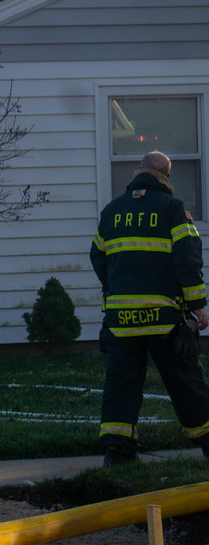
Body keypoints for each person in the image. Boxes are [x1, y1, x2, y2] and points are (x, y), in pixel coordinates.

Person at [90, 150, 209, 466]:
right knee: (186, 383)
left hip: (121, 320)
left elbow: (98, 257)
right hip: (165, 320)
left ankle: (116, 451)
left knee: (121, 383)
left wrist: (114, 294)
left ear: (137, 173)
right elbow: (188, 259)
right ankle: (207, 440)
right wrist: (197, 306)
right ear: (167, 177)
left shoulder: (112, 212)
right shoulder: (173, 210)